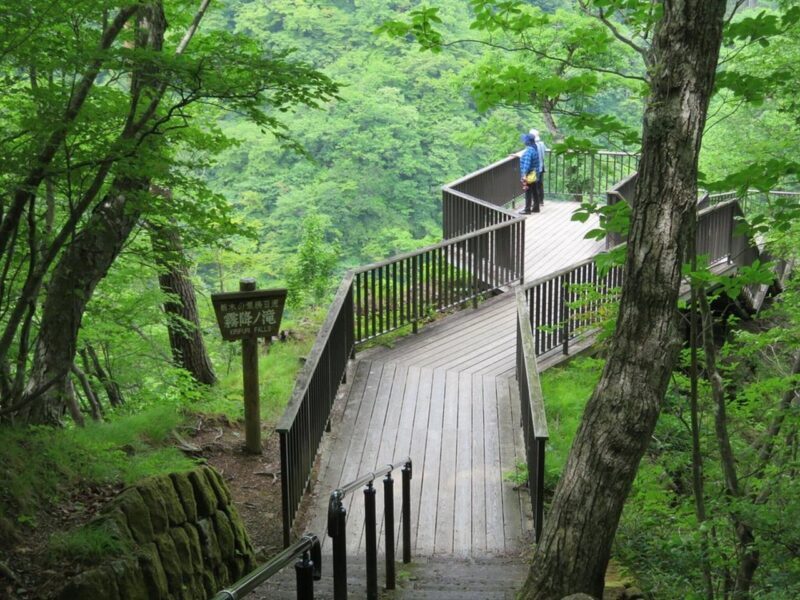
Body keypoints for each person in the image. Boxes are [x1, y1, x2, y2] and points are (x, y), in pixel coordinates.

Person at [519, 133, 540, 213]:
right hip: (534, 174)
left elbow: (527, 164)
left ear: (527, 142)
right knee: (534, 190)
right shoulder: (534, 149)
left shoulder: (528, 151)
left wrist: (524, 175)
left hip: (529, 174)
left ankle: (527, 209)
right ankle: (536, 207)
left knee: (528, 191)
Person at [530, 129, 547, 207]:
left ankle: (535, 202)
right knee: (540, 184)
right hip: (542, 167)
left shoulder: (533, 145)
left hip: (535, 168)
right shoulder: (542, 144)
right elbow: (546, 151)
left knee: (534, 185)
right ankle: (541, 201)